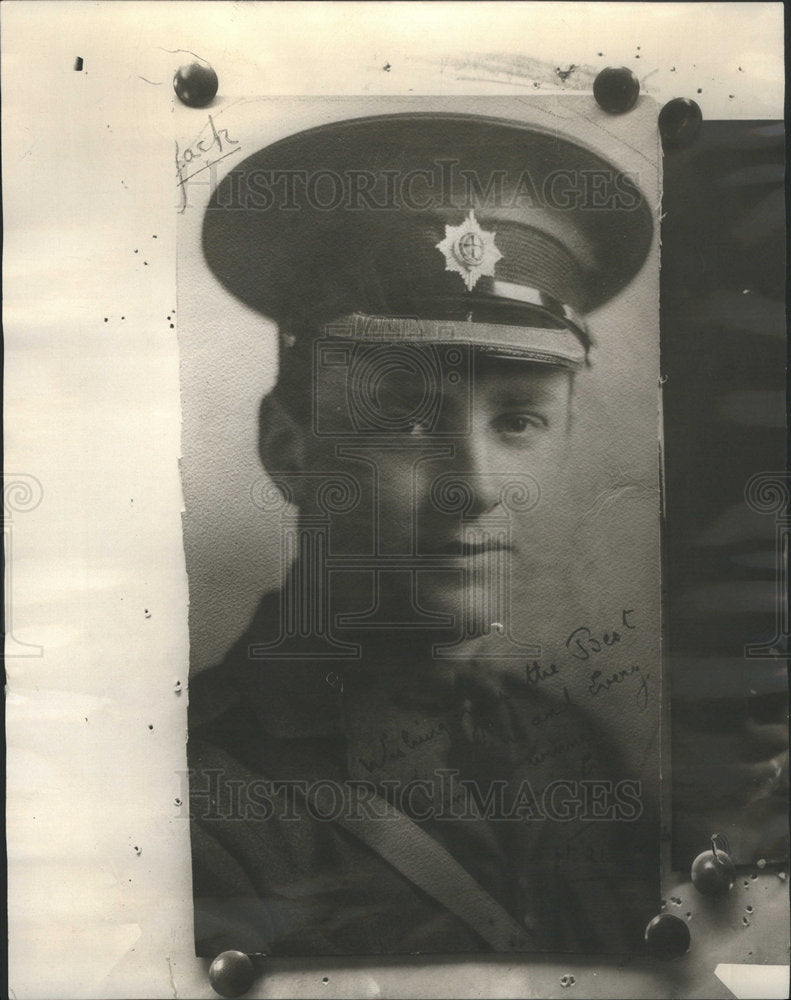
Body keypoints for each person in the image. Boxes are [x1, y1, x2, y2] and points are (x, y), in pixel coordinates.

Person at [187, 111, 659, 959]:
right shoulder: (199, 801)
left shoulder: (569, 754)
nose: (475, 487)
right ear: (290, 451)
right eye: (405, 421)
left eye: (517, 422)